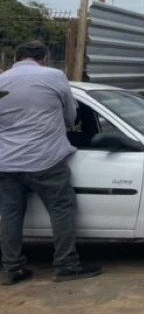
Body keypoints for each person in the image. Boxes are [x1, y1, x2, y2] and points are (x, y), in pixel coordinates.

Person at [0, 41, 102, 285]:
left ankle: (12, 268)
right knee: (62, 209)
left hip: (7, 161)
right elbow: (71, 116)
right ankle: (66, 264)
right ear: (44, 58)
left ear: (16, 58)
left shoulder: (2, 80)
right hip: (46, 159)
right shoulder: (54, 76)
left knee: (11, 215)